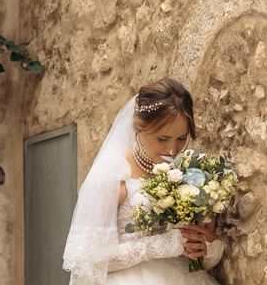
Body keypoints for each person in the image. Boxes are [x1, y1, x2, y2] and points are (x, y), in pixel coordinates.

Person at [63, 78, 225, 284]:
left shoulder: (189, 174)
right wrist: (163, 244)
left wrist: (207, 249)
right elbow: (88, 263)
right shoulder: (112, 178)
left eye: (181, 138)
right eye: (162, 139)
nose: (173, 150)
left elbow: (202, 255)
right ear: (138, 128)